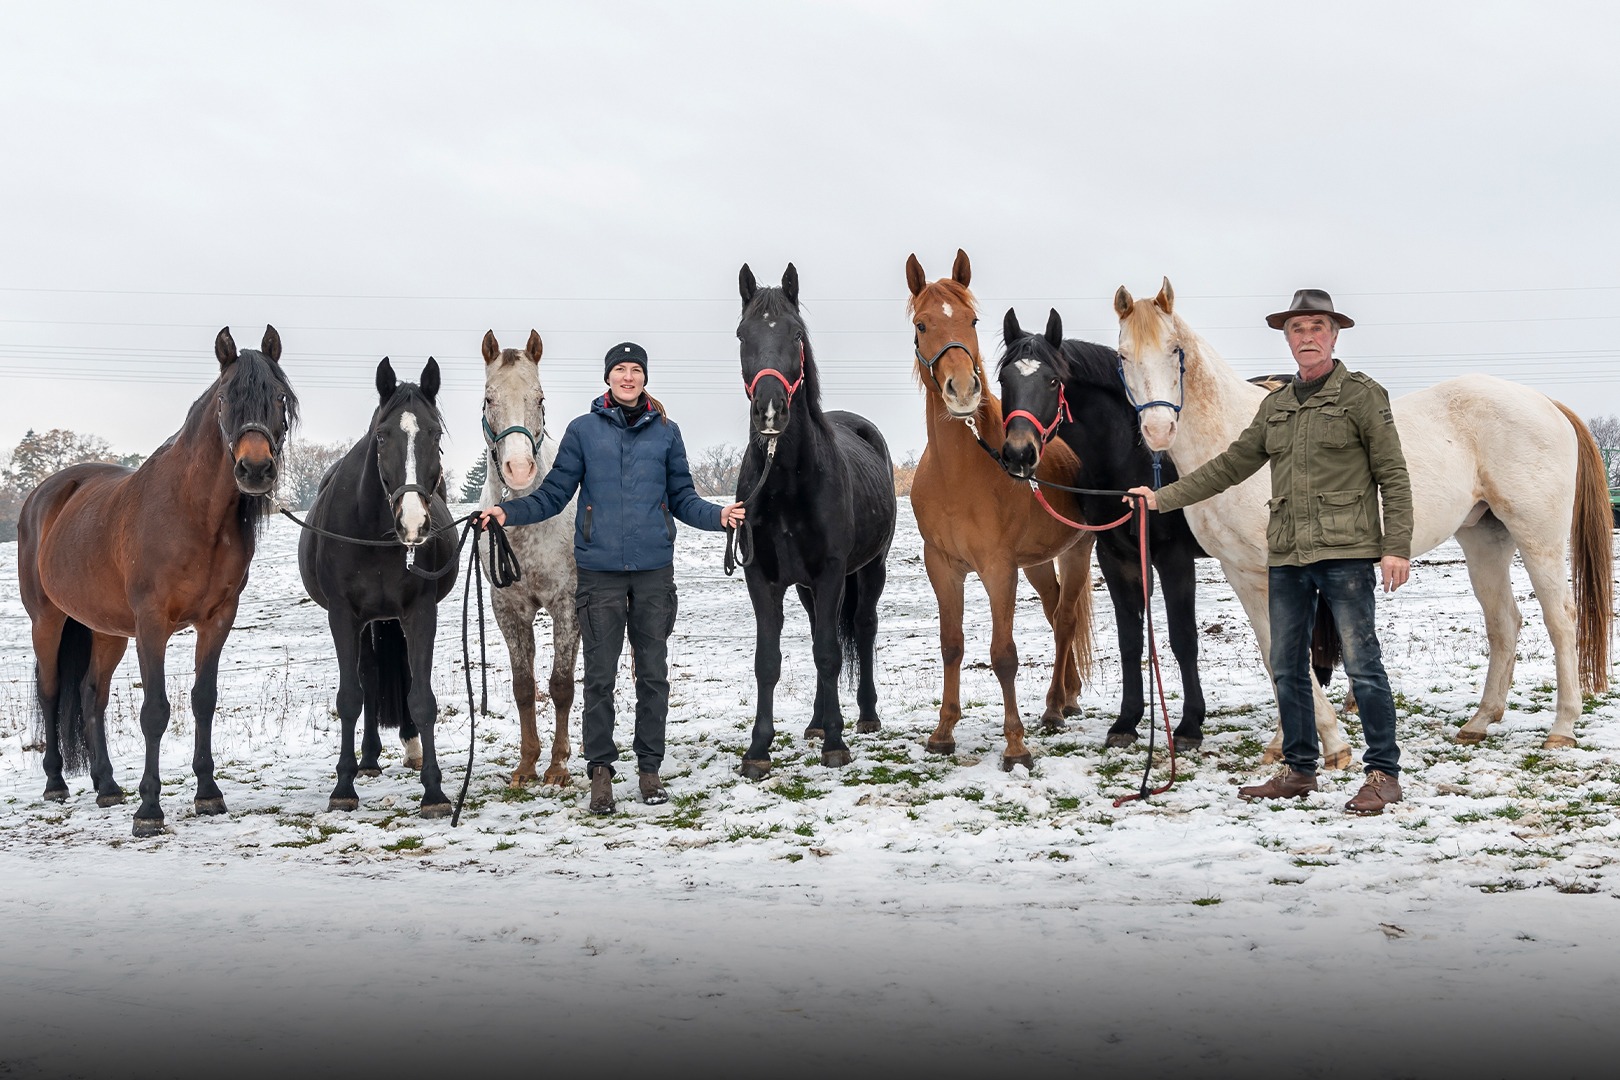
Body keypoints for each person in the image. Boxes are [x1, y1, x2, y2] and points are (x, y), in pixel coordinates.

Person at [1128, 289, 1413, 815]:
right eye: (1297, 329)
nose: (1307, 337)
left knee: (1364, 666)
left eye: (1317, 328)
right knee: (1285, 665)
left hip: (1345, 551)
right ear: (1287, 338)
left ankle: (1383, 773)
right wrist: (1161, 497)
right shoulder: (1276, 405)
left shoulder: (1362, 396)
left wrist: (1396, 546)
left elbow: (1392, 473)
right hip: (1287, 553)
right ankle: (1301, 770)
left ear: (1333, 334)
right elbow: (1230, 465)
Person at [480, 342, 745, 815]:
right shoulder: (582, 432)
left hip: (651, 573)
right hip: (599, 573)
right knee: (599, 679)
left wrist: (718, 514)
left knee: (652, 677)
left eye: (635, 370)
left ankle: (648, 769)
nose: (628, 377)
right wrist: (506, 510)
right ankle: (599, 773)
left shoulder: (667, 433)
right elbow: (554, 494)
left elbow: (683, 498)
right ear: (608, 378)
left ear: (644, 378)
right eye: (619, 370)